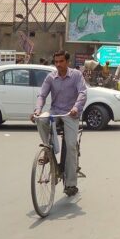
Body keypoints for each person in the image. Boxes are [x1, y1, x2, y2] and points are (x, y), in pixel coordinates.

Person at [31, 50, 87, 197]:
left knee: (70, 146)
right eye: (56, 62)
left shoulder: (76, 75)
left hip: (70, 114)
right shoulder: (51, 77)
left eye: (61, 61)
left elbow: (82, 93)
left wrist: (76, 108)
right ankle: (48, 150)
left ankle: (70, 184)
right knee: (41, 119)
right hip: (55, 111)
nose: (58, 65)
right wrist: (37, 110)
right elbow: (42, 95)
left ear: (67, 62)